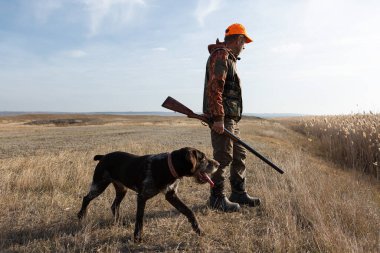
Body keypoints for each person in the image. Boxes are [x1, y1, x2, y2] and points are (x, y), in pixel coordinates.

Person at [202, 23, 261, 212]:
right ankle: (217, 198)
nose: (245, 47)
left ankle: (238, 193)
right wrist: (218, 118)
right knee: (223, 157)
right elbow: (215, 87)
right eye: (244, 43)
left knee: (239, 155)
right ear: (239, 40)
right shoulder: (221, 55)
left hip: (231, 118)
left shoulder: (230, 58)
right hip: (223, 117)